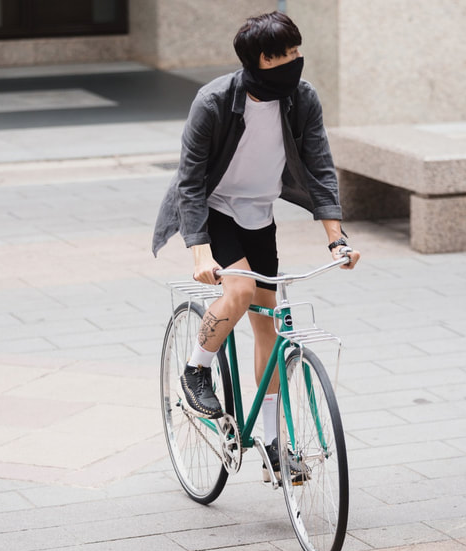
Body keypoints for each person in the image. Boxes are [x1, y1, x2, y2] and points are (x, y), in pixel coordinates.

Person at [151, 12, 360, 480]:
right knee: (241, 291)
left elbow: (320, 166)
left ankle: (270, 445)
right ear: (259, 60)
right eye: (284, 55)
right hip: (215, 209)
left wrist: (337, 240)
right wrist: (200, 250)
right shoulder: (214, 102)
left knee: (271, 329)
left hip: (259, 215)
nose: (295, 61)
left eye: (297, 51)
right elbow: (190, 180)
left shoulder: (301, 98)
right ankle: (196, 369)